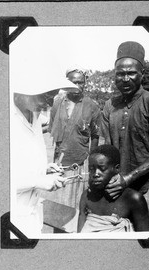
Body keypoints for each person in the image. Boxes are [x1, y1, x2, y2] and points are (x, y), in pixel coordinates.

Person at [10, 78, 81, 238]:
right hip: (12, 216)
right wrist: (39, 180)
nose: (50, 102)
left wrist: (44, 169)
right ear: (25, 89)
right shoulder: (5, 120)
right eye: (45, 95)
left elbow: (22, 162)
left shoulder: (34, 114)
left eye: (54, 96)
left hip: (32, 213)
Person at [100, 41, 149, 230]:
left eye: (131, 73)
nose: (125, 79)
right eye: (120, 73)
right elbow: (106, 150)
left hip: (145, 189)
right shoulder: (109, 105)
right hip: (115, 189)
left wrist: (129, 178)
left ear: (141, 74)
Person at [45, 68, 101, 208]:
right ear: (66, 83)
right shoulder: (57, 103)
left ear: (85, 83)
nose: (77, 85)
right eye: (72, 82)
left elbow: (95, 137)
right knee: (57, 209)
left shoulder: (92, 106)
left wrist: (91, 167)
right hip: (58, 165)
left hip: (79, 166)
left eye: (80, 82)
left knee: (76, 207)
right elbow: (53, 128)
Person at [77, 145, 149, 233]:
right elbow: (80, 236)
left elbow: (144, 239)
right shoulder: (86, 196)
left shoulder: (133, 198)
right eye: (91, 169)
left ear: (117, 168)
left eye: (102, 169)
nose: (95, 174)